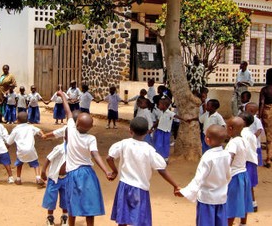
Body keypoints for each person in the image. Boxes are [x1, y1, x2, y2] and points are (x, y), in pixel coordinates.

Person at [107, 117, 180, 226]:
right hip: (140, 189)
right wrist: (175, 185)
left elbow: (109, 158)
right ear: (147, 132)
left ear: (130, 130)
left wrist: (115, 171)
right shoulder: (149, 150)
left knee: (123, 218)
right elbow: (161, 169)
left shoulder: (123, 144)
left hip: (124, 186)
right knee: (140, 220)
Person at [58, 90, 112, 226]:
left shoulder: (71, 130)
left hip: (72, 173)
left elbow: (68, 111)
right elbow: (95, 155)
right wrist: (106, 171)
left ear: (76, 124)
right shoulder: (91, 138)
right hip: (88, 173)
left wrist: (63, 96)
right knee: (90, 204)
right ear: (91, 127)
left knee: (72, 203)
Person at [176, 125, 231, 226]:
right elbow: (228, 175)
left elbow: (199, 179)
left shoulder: (207, 157)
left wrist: (184, 191)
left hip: (207, 199)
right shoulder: (227, 155)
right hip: (221, 197)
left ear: (207, 139)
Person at [225, 117, 254, 226]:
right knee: (243, 201)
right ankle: (243, 223)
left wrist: (223, 171)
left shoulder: (233, 143)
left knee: (231, 204)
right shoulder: (243, 140)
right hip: (243, 173)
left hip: (234, 176)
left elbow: (229, 158)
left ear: (231, 128)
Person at [6, 111, 45, 186]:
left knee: (19, 164)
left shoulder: (16, 129)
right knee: (36, 164)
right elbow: (39, 130)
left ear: (17, 120)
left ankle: (18, 179)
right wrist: (42, 135)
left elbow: (9, 141)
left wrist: (7, 146)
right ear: (27, 120)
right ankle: (38, 177)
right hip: (31, 150)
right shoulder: (30, 127)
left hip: (21, 150)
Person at [41, 138, 69, 226]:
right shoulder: (59, 148)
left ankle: (64, 217)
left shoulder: (74, 149)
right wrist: (43, 171)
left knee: (66, 198)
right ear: (65, 137)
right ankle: (50, 217)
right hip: (54, 178)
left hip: (66, 177)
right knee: (51, 198)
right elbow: (49, 158)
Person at [238, 112, 259, 219]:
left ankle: (249, 205)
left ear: (244, 122)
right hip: (250, 161)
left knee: (246, 185)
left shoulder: (244, 134)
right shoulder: (249, 133)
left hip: (246, 162)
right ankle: (253, 203)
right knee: (249, 185)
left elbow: (242, 149)